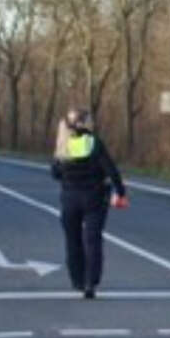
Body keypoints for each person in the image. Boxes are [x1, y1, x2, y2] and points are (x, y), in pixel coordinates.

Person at [51, 108, 128, 299]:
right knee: (92, 239)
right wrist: (120, 192)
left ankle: (77, 279)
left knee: (72, 240)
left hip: (70, 198)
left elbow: (55, 173)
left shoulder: (64, 144)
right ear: (85, 123)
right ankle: (90, 282)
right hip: (94, 197)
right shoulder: (93, 143)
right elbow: (111, 169)